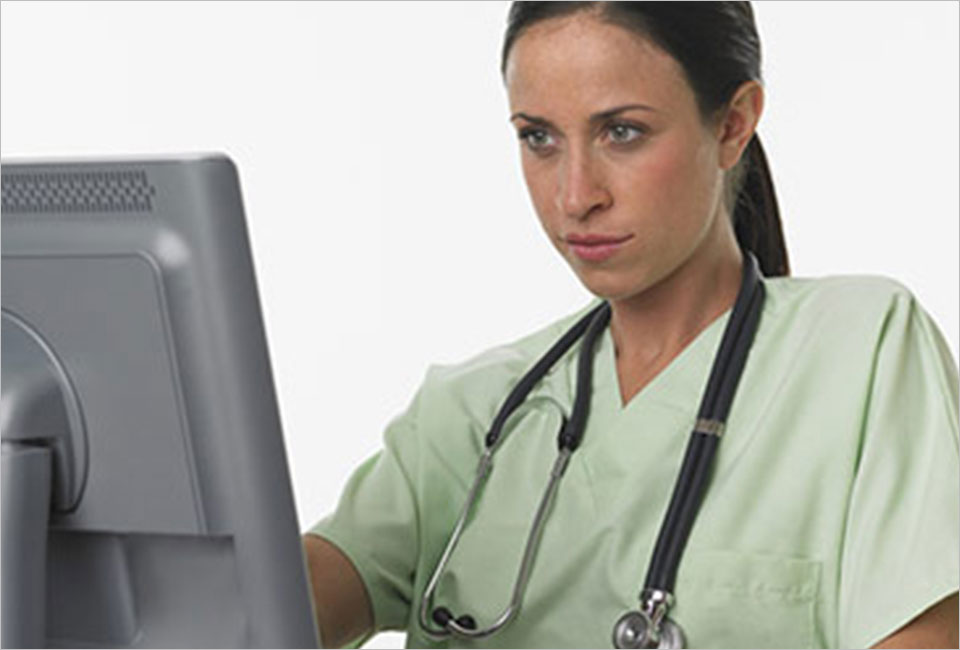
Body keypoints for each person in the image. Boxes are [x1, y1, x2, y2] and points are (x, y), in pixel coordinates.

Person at [302, 2, 959, 647]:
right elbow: (263, 609)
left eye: (621, 131)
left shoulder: (861, 352)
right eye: (539, 138)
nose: (575, 195)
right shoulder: (472, 416)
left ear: (733, 125)